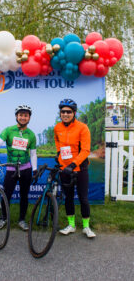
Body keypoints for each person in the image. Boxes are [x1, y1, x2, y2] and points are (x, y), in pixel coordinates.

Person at [0, 105, 38, 231]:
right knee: (6, 195)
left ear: (29, 117)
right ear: (16, 116)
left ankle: (21, 220)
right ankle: (3, 218)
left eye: (26, 115)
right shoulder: (8, 130)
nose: (23, 117)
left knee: (24, 195)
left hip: (26, 169)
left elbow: (33, 153)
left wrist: (35, 170)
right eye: (21, 115)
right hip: (11, 168)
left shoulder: (31, 135)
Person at [54, 99, 96, 238]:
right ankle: (71, 225)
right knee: (68, 198)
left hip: (80, 169)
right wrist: (59, 154)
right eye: (63, 111)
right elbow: (58, 142)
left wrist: (73, 165)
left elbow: (85, 150)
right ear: (60, 113)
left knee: (83, 198)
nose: (65, 114)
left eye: (69, 112)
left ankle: (86, 227)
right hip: (64, 169)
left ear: (74, 113)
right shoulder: (57, 127)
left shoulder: (82, 128)